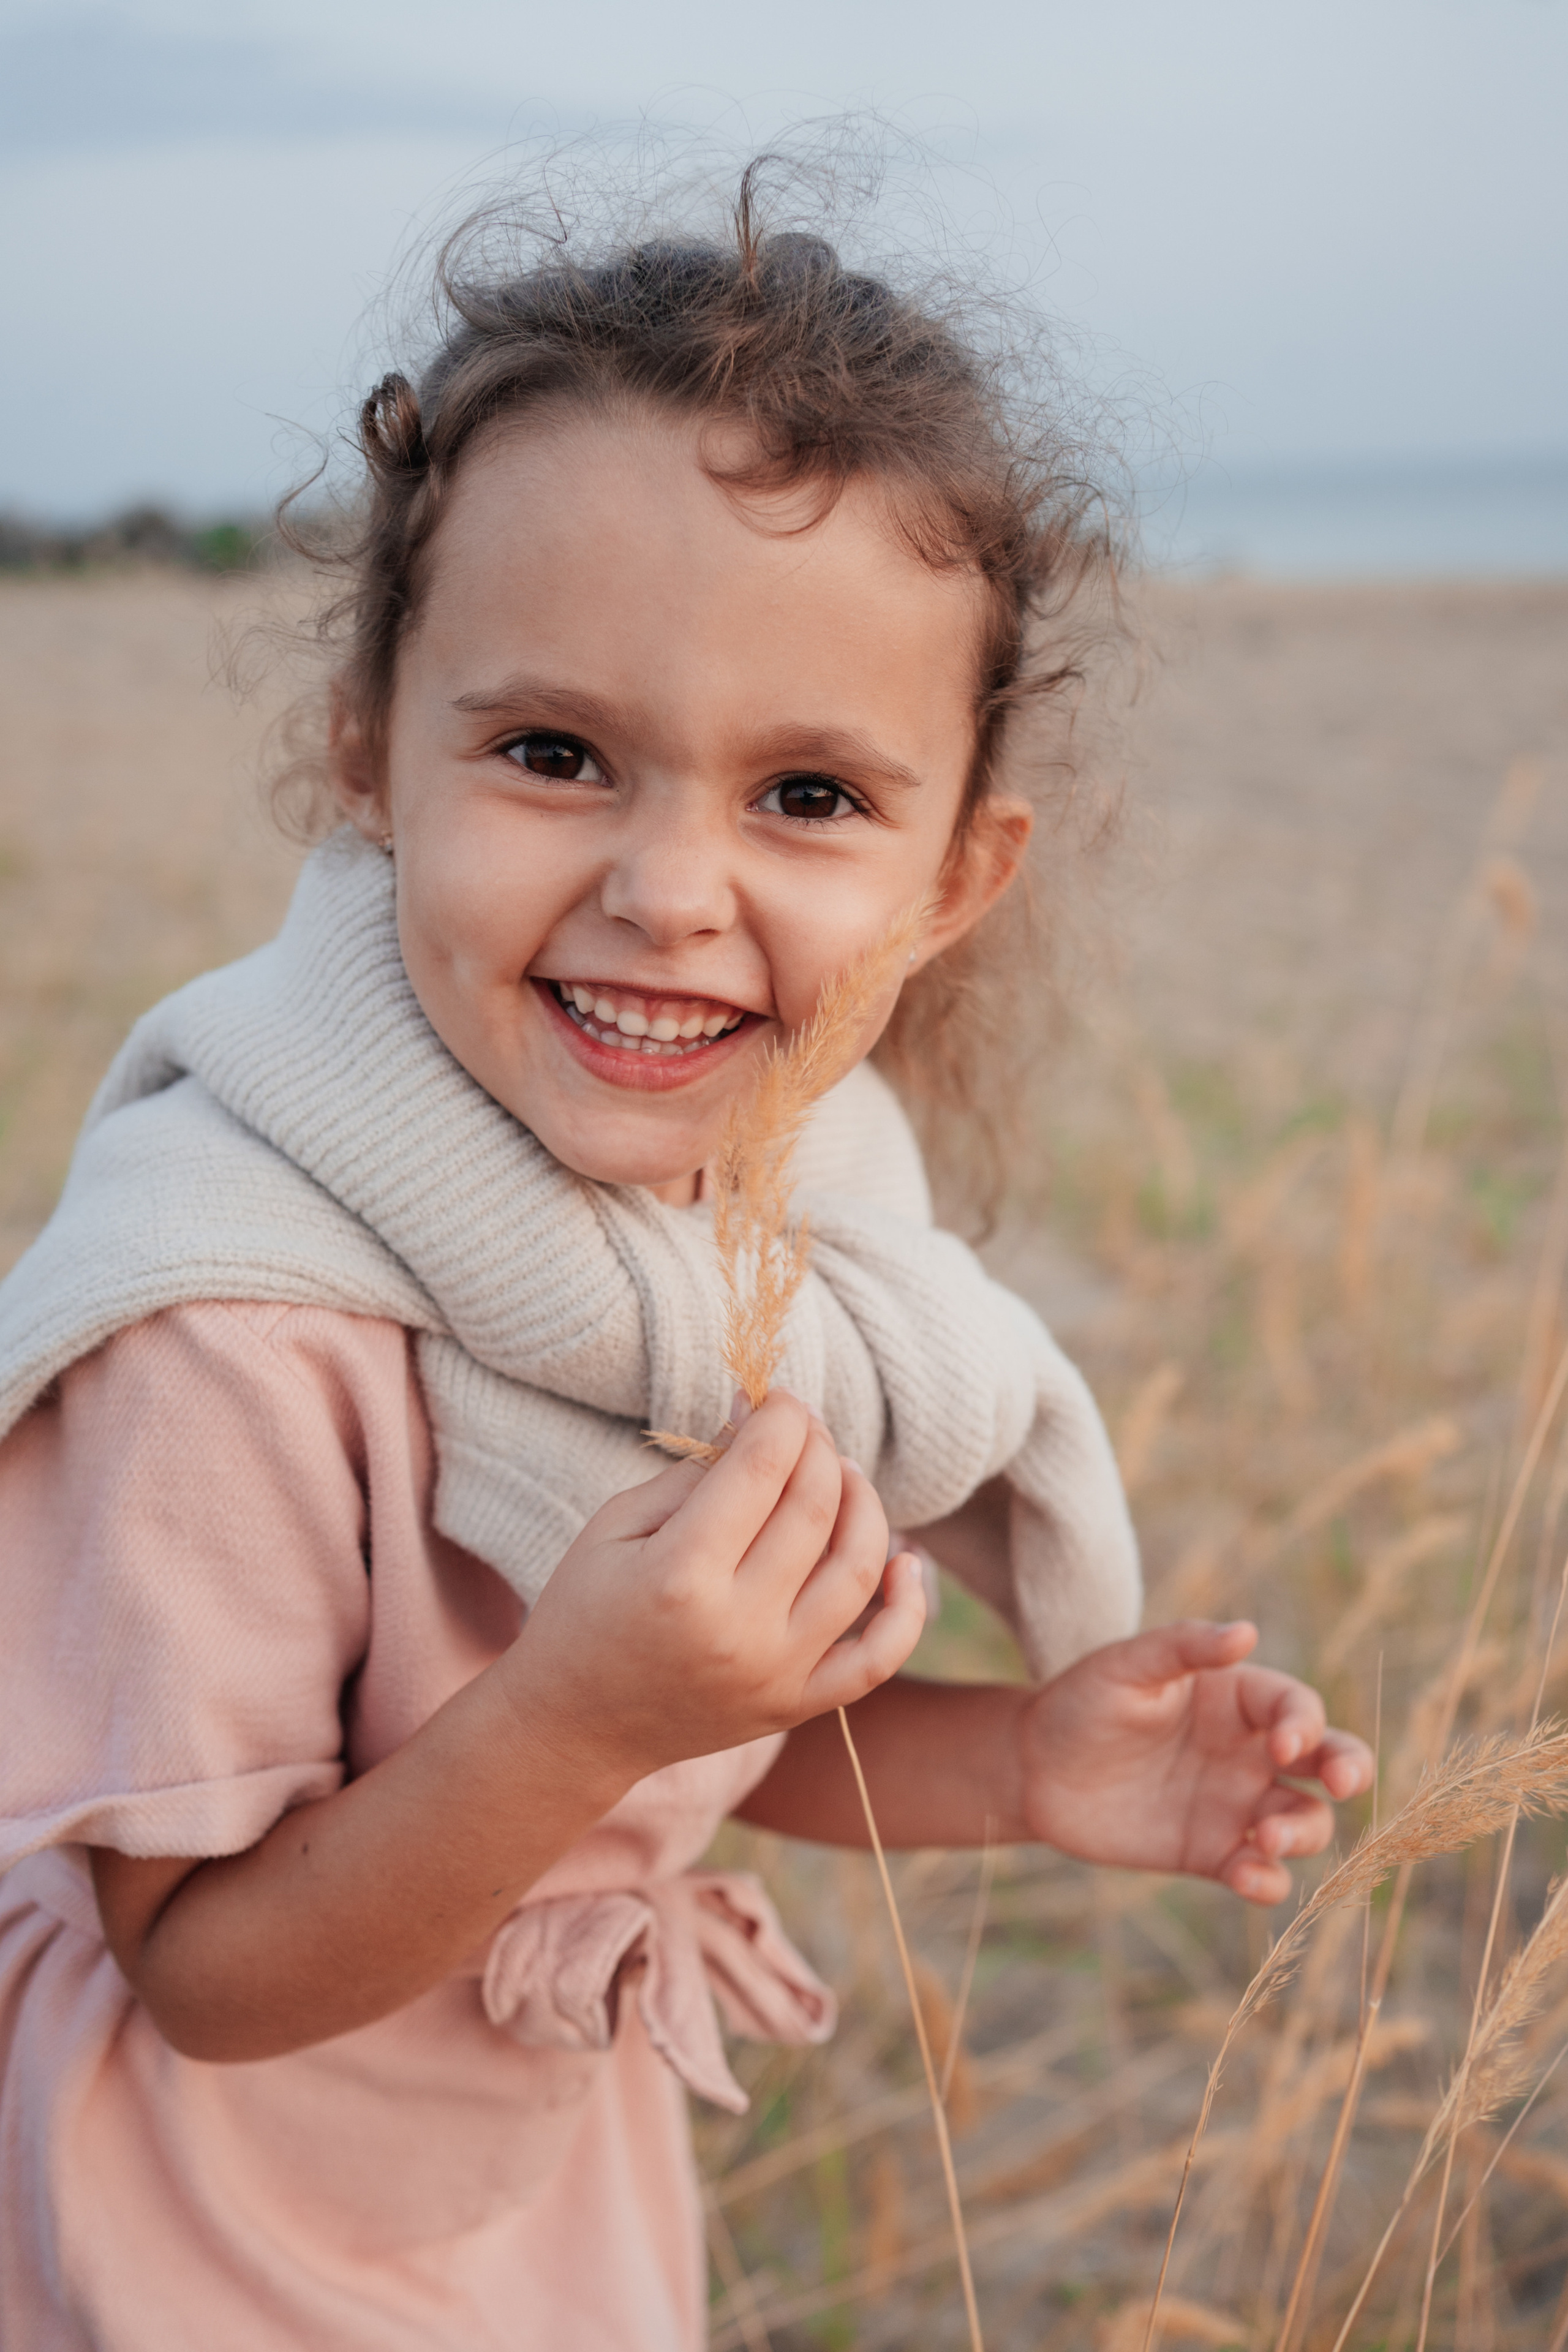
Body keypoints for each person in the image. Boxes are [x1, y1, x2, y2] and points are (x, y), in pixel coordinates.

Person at [0, 160, 1371, 2350]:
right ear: (371, 753)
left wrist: (1015, 1769)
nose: (669, 886)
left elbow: (707, 1722)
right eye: (554, 753)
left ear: (955, 873)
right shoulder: (231, 1327)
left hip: (533, 2183)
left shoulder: (788, 1233)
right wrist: (570, 1710)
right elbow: (203, 1969)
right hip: (204, 2224)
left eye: (809, 796)